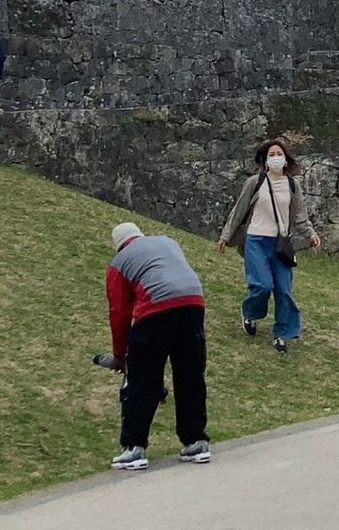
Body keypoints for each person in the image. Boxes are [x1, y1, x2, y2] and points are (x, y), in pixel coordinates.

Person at [106, 221, 211, 471]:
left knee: (143, 379)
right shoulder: (168, 242)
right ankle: (196, 441)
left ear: (119, 246)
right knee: (190, 374)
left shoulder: (119, 262)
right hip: (193, 302)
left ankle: (134, 448)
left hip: (155, 310)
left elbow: (119, 313)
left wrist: (121, 355)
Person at [218, 136, 321, 354]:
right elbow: (239, 211)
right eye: (271, 155)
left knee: (284, 291)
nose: (275, 158)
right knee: (262, 285)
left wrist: (311, 235)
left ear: (286, 159)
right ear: (265, 161)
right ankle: (250, 313)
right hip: (256, 240)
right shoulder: (254, 182)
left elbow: (300, 216)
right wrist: (226, 236)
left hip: (281, 244)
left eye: (279, 154)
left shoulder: (293, 185)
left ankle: (282, 334)